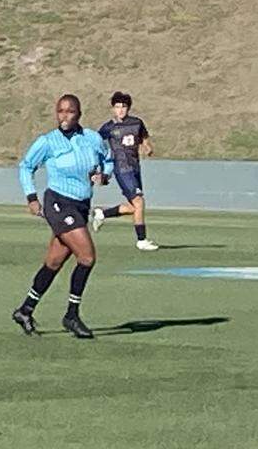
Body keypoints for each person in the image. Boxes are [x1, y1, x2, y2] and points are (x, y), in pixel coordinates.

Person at [12, 94, 112, 339]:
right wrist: (31, 197)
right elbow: (26, 166)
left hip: (80, 205)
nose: (64, 116)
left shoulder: (91, 138)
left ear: (79, 113)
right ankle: (72, 315)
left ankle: (25, 310)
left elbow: (108, 159)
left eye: (69, 111)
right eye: (60, 111)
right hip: (58, 203)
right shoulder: (48, 142)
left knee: (54, 262)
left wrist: (104, 175)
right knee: (87, 257)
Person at [91, 91, 158, 251]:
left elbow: (143, 136)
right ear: (113, 108)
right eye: (117, 107)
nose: (120, 110)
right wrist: (98, 168)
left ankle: (102, 214)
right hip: (122, 169)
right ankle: (141, 240)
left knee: (133, 207)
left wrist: (147, 146)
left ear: (128, 108)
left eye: (123, 107)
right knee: (139, 201)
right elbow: (95, 145)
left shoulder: (136, 123)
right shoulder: (108, 127)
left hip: (135, 168)